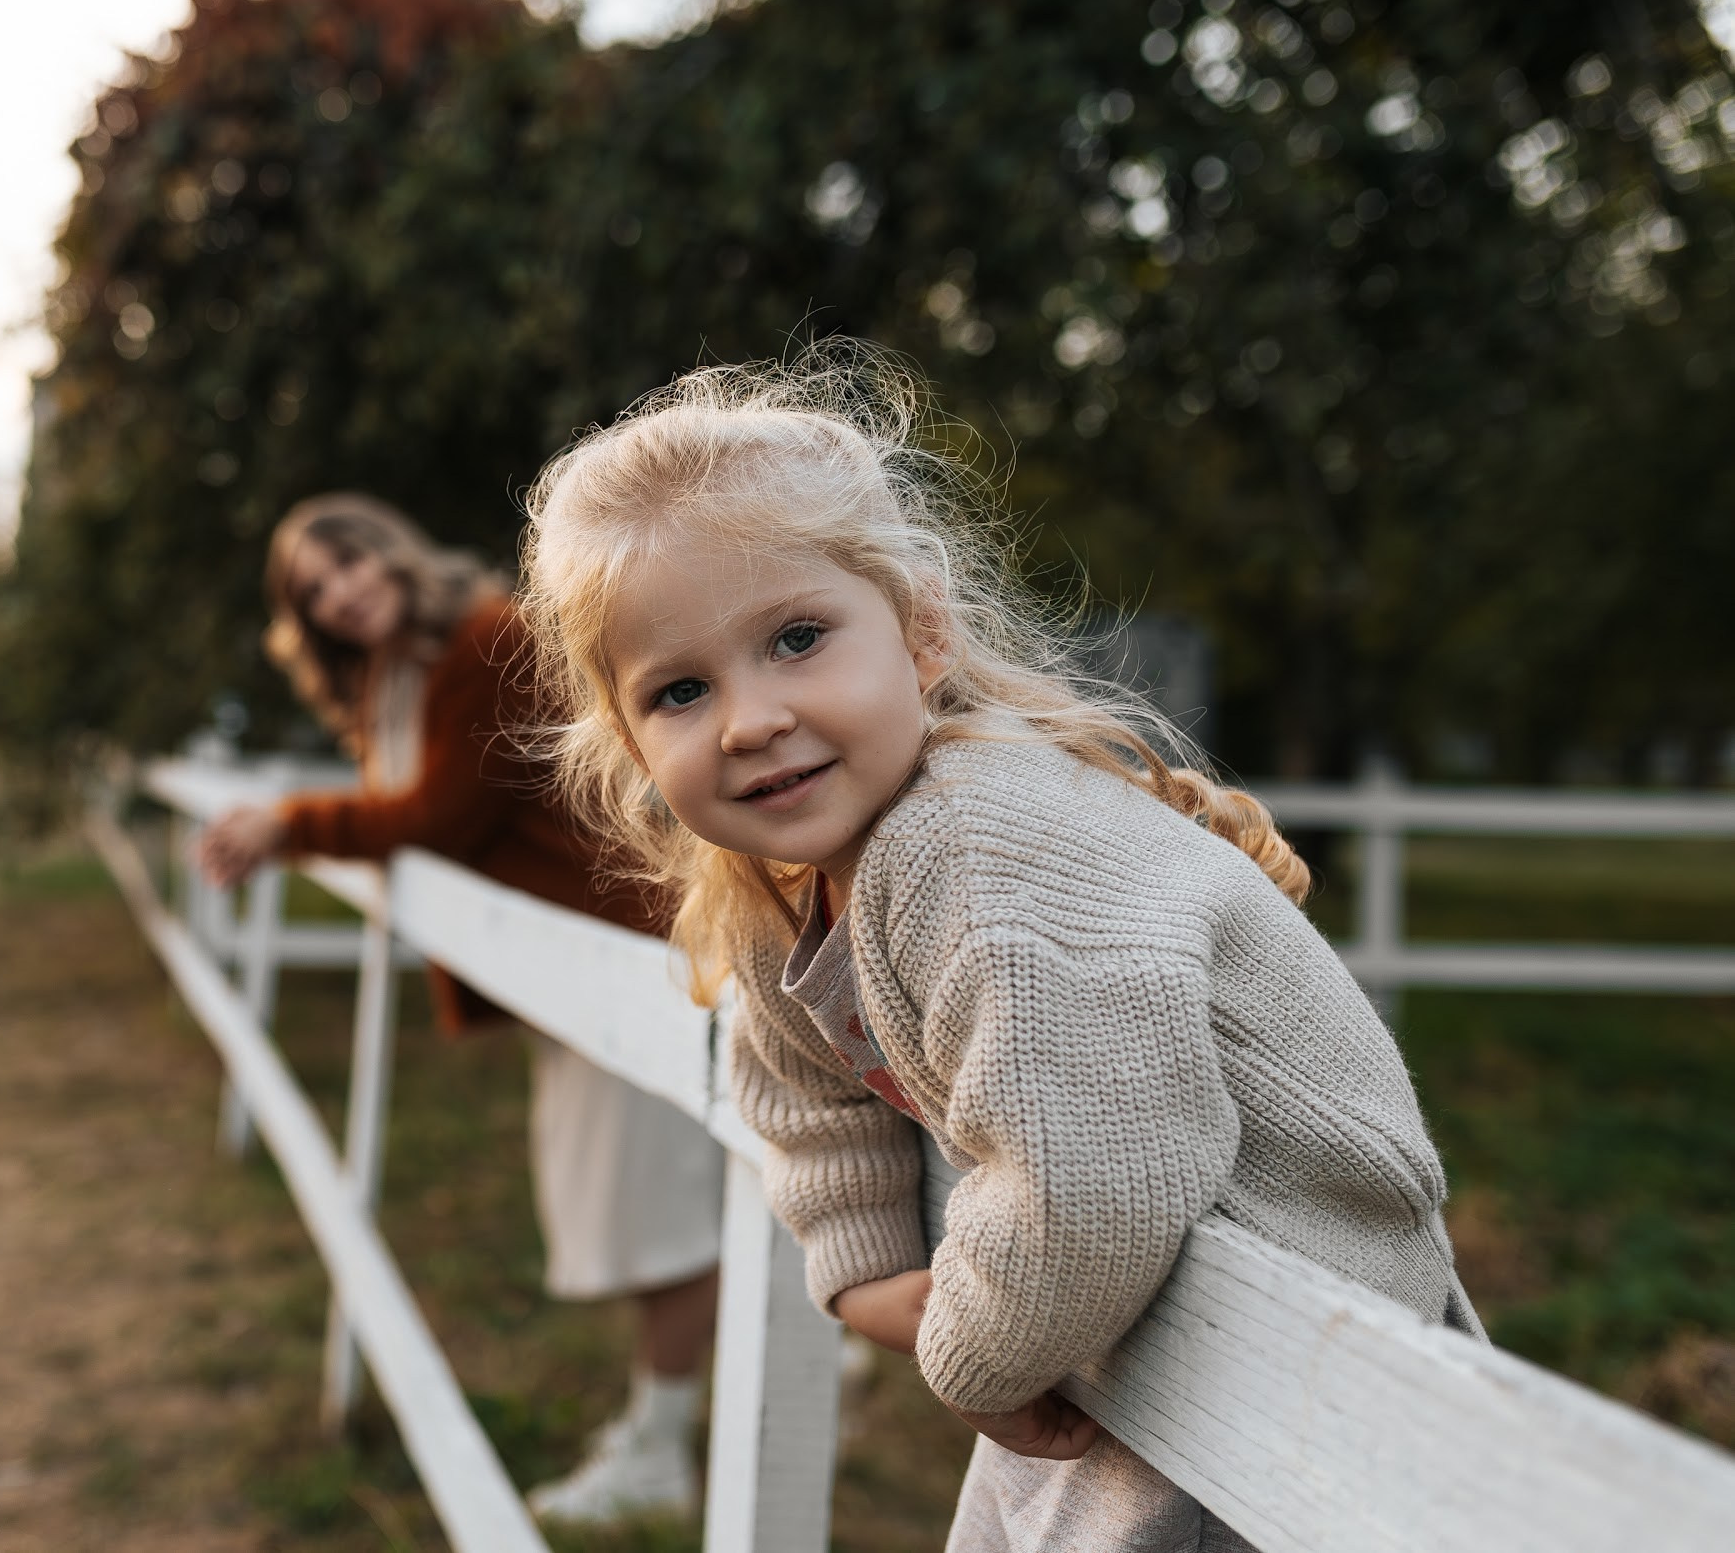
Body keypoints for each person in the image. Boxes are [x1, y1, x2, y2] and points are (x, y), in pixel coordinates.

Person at [514, 351, 1483, 1553]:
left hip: (1288, 1348)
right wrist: (866, 1266)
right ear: (626, 736)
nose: (749, 717)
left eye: (798, 636)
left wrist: (967, 1352)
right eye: (678, 691)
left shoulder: (972, 839)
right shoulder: (785, 891)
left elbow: (1099, 1169)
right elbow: (807, 1095)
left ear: (921, 631)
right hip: (1116, 1342)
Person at [196, 493, 723, 1526]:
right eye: (313, 592)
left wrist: (288, 823)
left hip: (616, 954)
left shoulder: (483, 636)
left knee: (650, 1219)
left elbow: (439, 812)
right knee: (625, 1208)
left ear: (387, 546)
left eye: (346, 561)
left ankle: (663, 1446)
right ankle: (693, 1402)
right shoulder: (392, 674)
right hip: (565, 980)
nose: (341, 592)